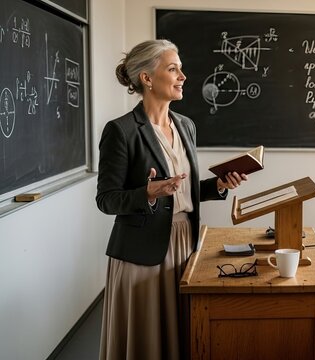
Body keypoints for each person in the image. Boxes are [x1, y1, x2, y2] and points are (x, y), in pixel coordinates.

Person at [96, 40, 247, 360]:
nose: (183, 76)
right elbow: (107, 200)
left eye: (180, 68)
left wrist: (218, 184)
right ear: (147, 78)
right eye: (173, 69)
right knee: (146, 342)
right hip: (141, 251)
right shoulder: (120, 131)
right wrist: (147, 193)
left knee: (182, 333)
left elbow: (182, 190)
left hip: (185, 243)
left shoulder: (186, 126)